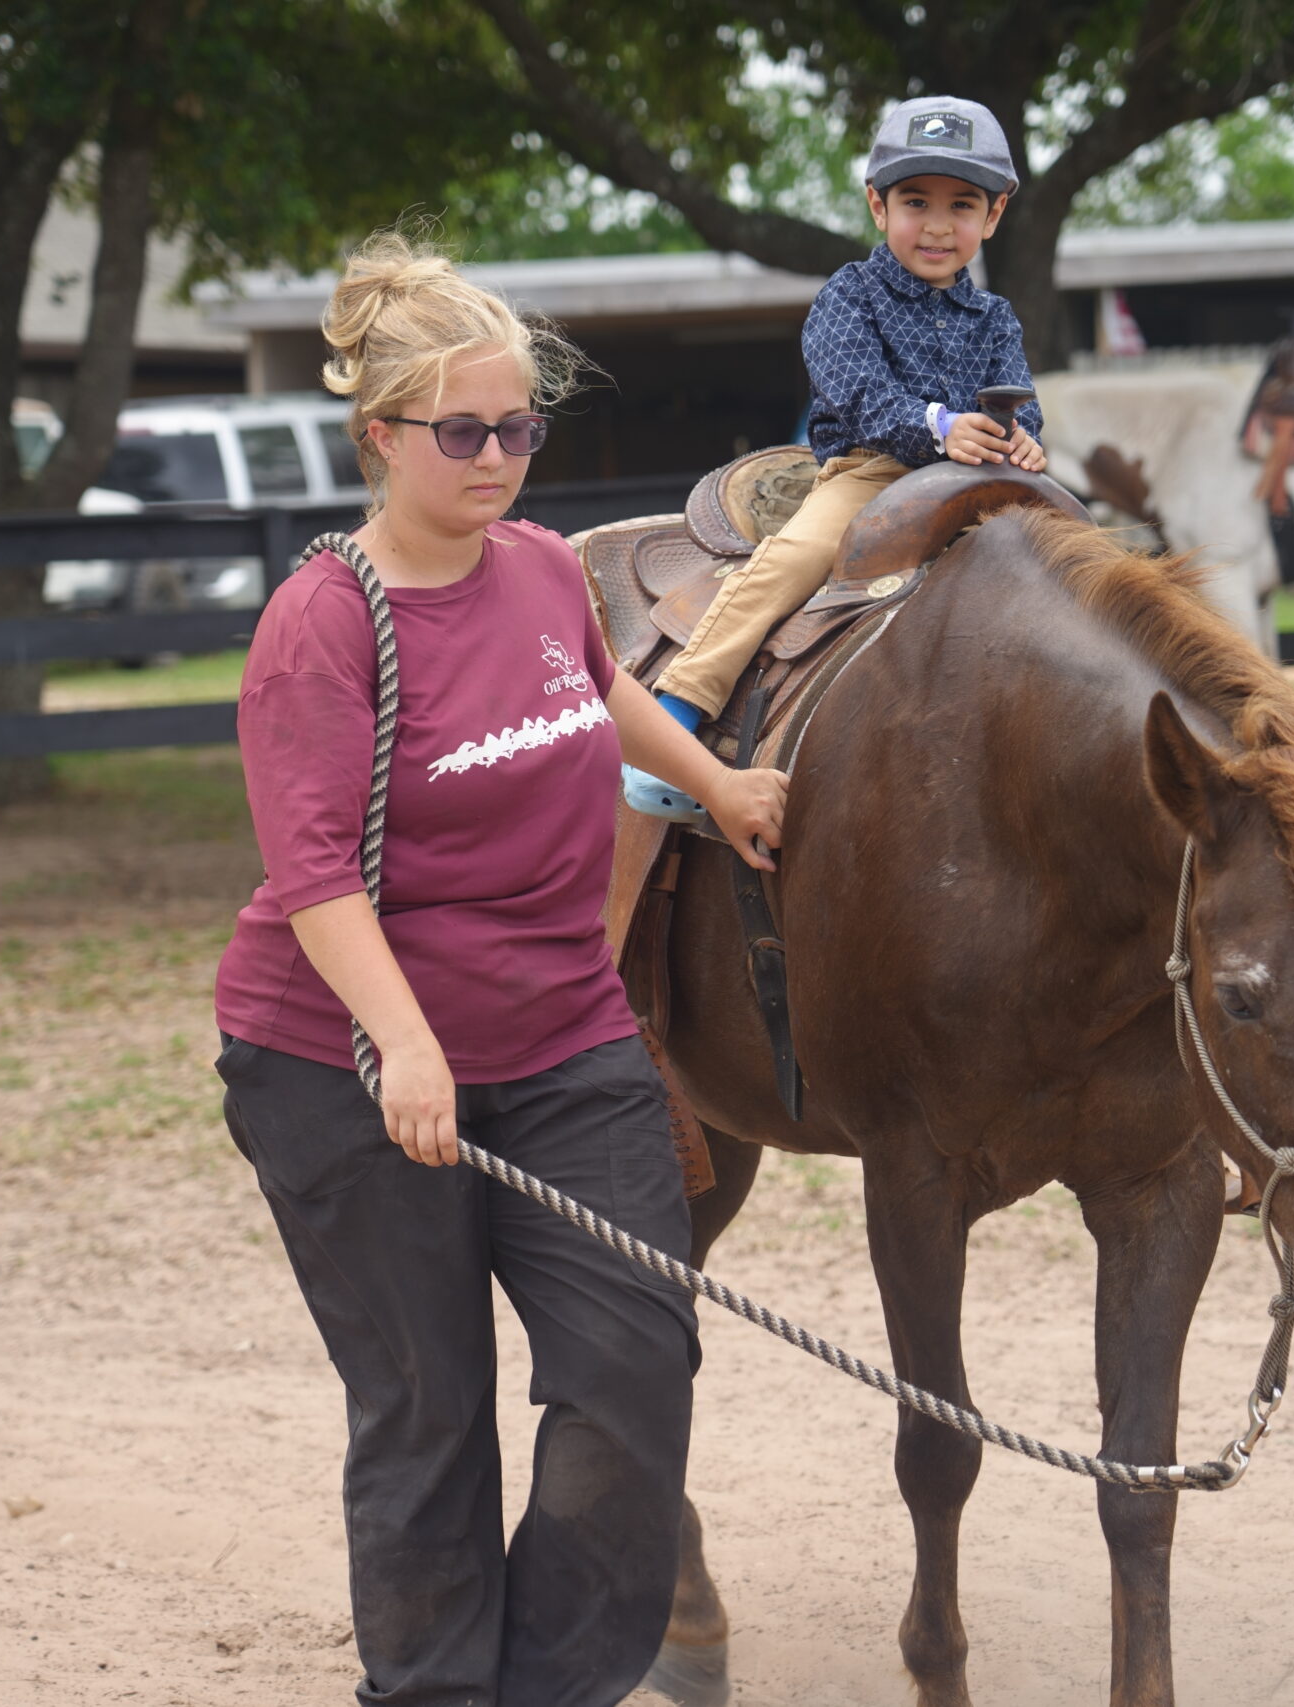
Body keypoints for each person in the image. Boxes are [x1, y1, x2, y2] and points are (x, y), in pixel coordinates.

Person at [211, 229, 788, 1707]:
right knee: (430, 1409)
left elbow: (597, 690)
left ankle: (547, 1685)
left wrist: (715, 784)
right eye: (461, 432)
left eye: (518, 428)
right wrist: (407, 1043)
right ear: (380, 435)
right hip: (342, 1063)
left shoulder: (538, 568)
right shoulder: (323, 623)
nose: (495, 458)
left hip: (564, 1040)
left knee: (635, 1367)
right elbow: (313, 875)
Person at [624, 95, 1051, 821]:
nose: (938, 225)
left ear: (994, 215)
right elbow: (856, 391)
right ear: (878, 206)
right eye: (916, 202)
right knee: (792, 561)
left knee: (1072, 564)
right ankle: (674, 719)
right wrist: (938, 424)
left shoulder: (997, 317)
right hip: (874, 474)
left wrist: (1023, 438)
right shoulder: (850, 295)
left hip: (979, 481)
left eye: (961, 205)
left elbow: (1020, 398)